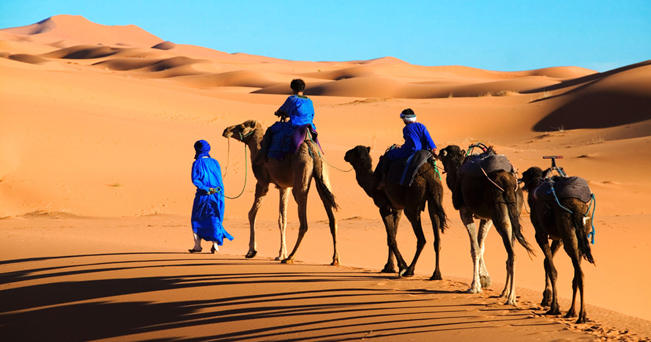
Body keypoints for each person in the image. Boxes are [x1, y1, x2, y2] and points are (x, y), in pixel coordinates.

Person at [189, 140, 233, 253]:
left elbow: (195, 180)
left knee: (196, 219)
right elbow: (219, 179)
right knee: (215, 218)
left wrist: (206, 189)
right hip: (217, 195)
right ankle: (215, 245)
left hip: (203, 195)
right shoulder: (215, 162)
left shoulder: (197, 163)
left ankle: (197, 246)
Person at [256, 78, 316, 163]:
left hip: (294, 126)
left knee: (270, 130)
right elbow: (312, 114)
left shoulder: (292, 99)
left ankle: (264, 155)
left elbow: (282, 110)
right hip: (309, 127)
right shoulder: (309, 101)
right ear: (303, 88)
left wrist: (278, 113)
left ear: (293, 88)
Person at [377, 108, 437, 190]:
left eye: (403, 119)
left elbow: (412, 144)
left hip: (410, 150)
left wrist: (401, 147)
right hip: (424, 151)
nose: (403, 121)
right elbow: (428, 139)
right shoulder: (422, 126)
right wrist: (433, 149)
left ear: (406, 119)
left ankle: (383, 181)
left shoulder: (407, 128)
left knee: (388, 154)